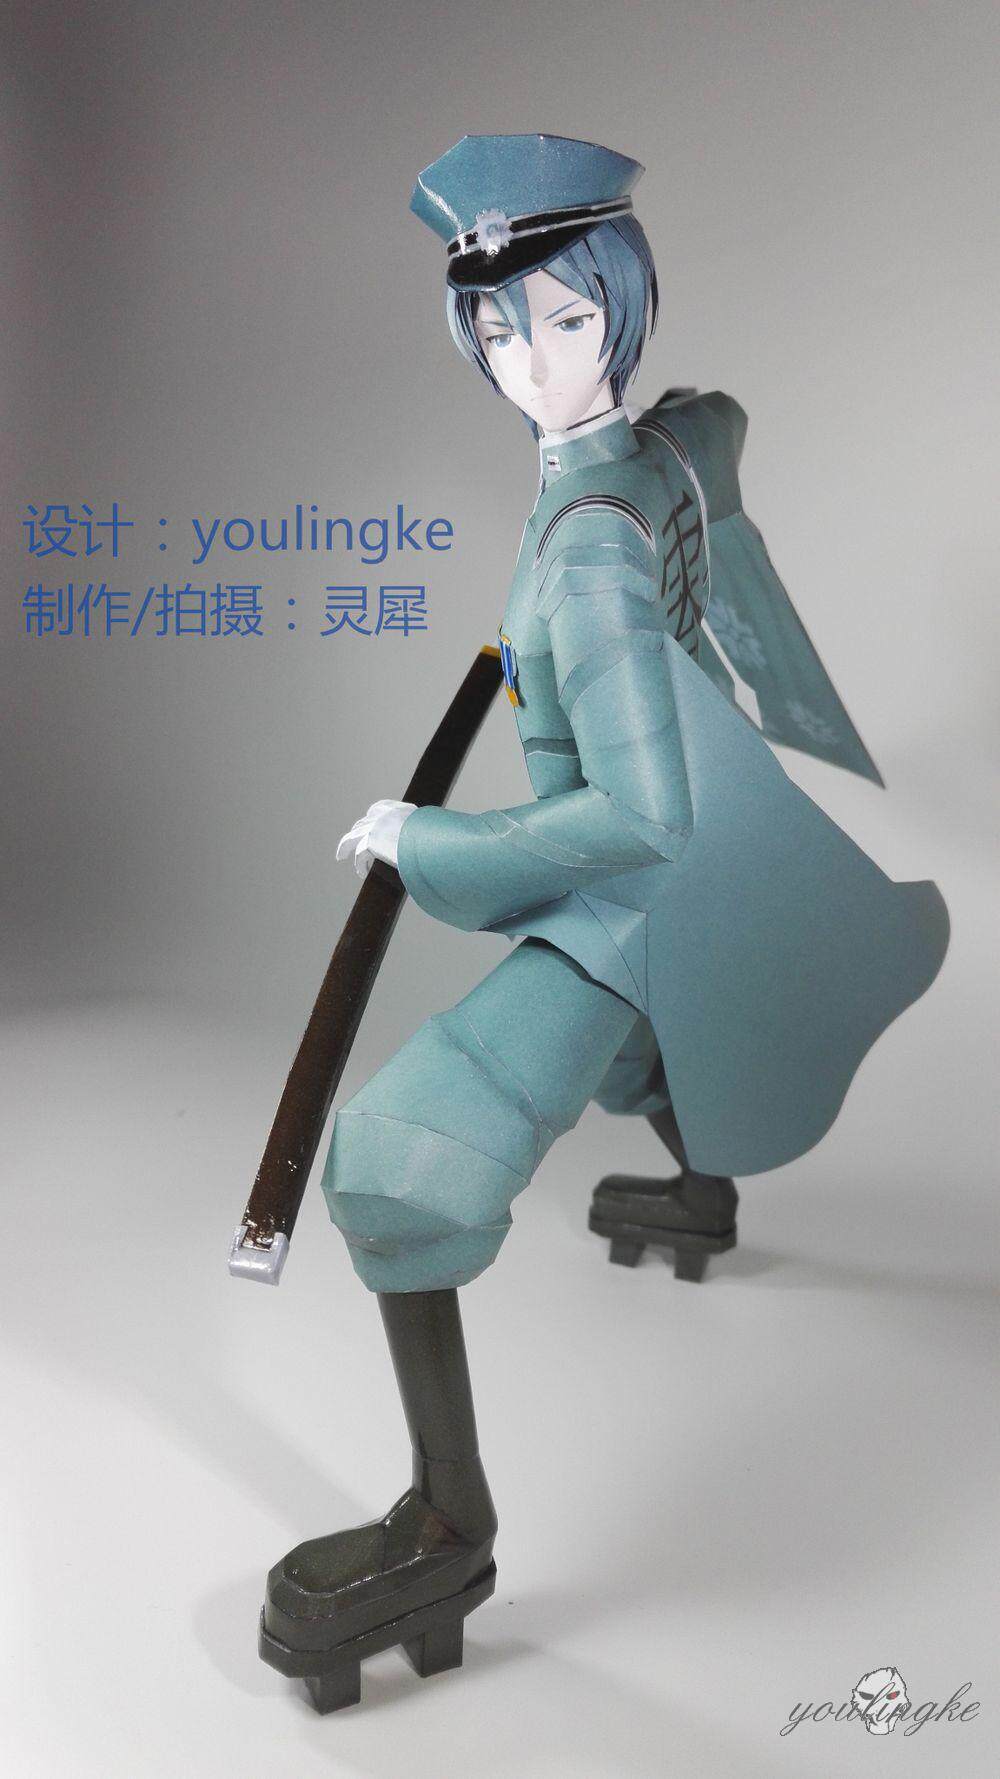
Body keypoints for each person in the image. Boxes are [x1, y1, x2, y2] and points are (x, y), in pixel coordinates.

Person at [259, 133, 948, 1710]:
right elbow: (720, 425)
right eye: (499, 330)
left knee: (395, 1158)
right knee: (650, 1049)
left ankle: (448, 1529)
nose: (535, 363)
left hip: (644, 888)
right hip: (723, 858)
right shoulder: (657, 452)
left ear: (623, 307)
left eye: (570, 320)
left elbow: (637, 820)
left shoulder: (584, 560)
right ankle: (700, 1190)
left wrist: (427, 837)